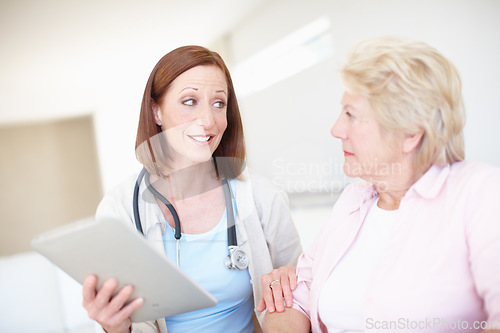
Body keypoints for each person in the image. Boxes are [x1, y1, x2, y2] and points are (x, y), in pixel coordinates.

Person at [260, 36, 500, 333]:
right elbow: (295, 298)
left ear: (410, 133)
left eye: (351, 114)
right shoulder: (354, 198)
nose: (336, 129)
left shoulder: (481, 194)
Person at [81, 45, 302, 333]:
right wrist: (115, 327)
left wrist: (290, 291)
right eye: (189, 101)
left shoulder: (263, 197)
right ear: (156, 111)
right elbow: (127, 320)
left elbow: (298, 296)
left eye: (218, 103)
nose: (208, 121)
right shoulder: (119, 208)